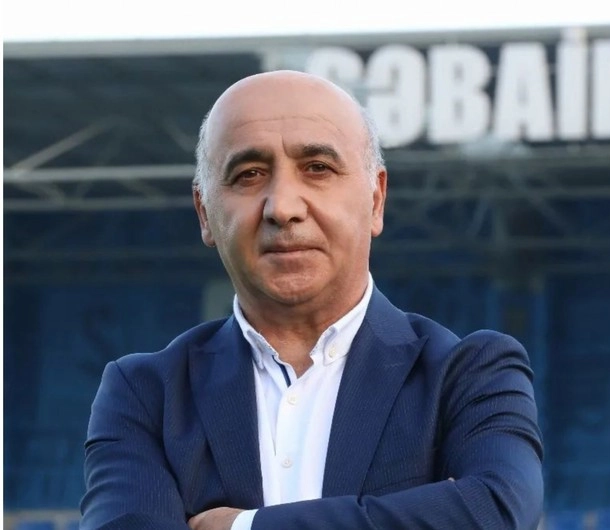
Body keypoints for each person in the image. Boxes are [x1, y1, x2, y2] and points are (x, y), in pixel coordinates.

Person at [80, 70, 544, 530]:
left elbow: (495, 514)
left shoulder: (469, 375)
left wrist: (247, 528)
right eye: (249, 174)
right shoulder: (145, 395)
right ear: (205, 213)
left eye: (317, 168)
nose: (283, 207)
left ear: (376, 199)